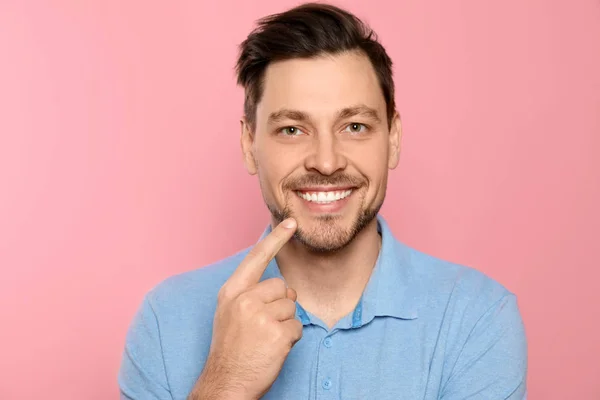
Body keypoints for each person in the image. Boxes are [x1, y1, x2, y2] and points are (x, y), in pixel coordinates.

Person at [118, 3, 527, 399]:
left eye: (355, 126)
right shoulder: (164, 319)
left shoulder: (477, 316)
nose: (326, 162)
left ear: (393, 138)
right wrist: (226, 383)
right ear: (248, 144)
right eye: (293, 130)